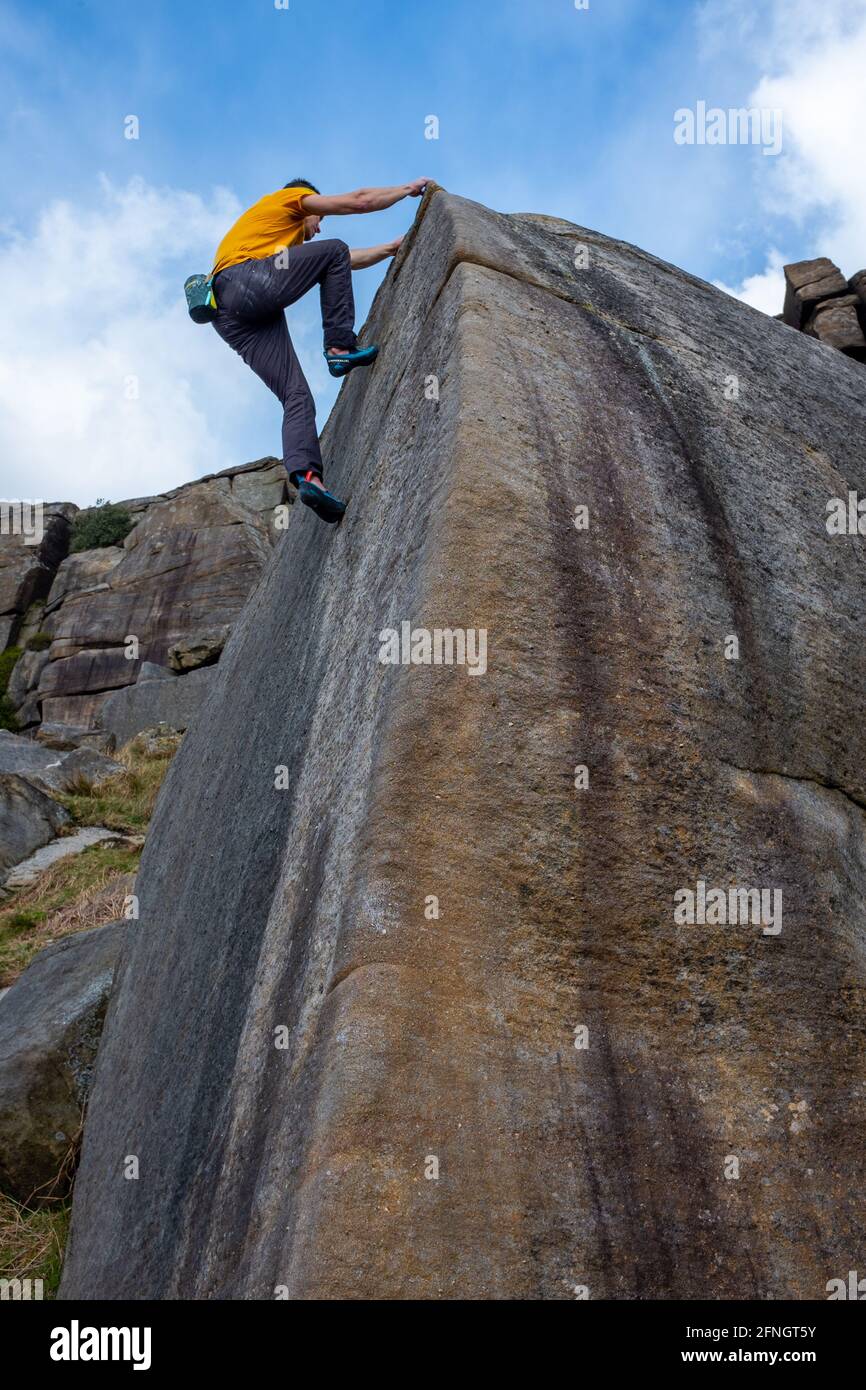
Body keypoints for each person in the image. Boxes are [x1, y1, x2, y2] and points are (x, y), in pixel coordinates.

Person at [210, 177, 430, 522]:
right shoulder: (290, 200)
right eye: (319, 218)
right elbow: (357, 201)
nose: (318, 226)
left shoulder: (276, 241)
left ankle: (308, 478)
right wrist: (406, 191)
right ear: (308, 201)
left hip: (230, 315)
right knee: (334, 248)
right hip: (243, 280)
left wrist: (390, 248)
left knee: (296, 396)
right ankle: (340, 346)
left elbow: (345, 261)